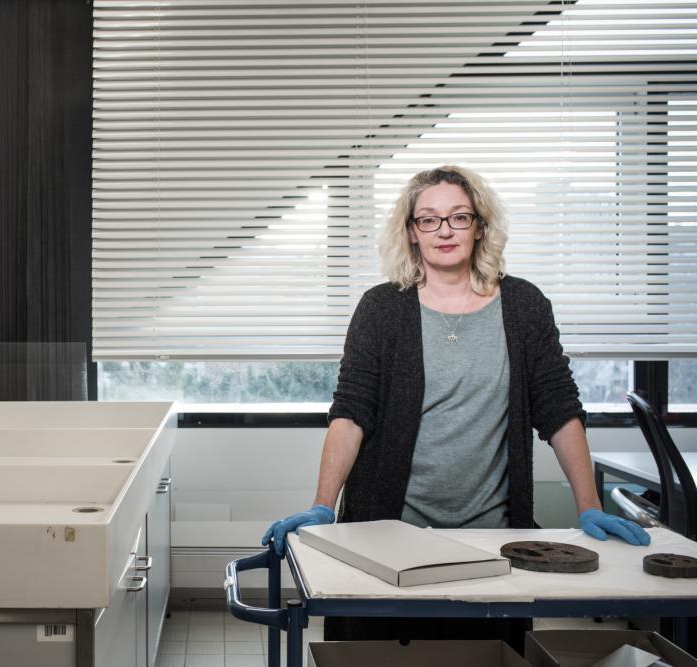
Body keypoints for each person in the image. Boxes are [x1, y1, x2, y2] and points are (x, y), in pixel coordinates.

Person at [261, 165, 650, 645]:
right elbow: (351, 412)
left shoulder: (525, 306)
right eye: (428, 219)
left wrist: (588, 504)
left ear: (480, 226)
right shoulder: (381, 309)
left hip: (491, 542)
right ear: (411, 233)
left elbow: (559, 408)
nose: (444, 230)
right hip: (385, 537)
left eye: (459, 217)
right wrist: (323, 505)